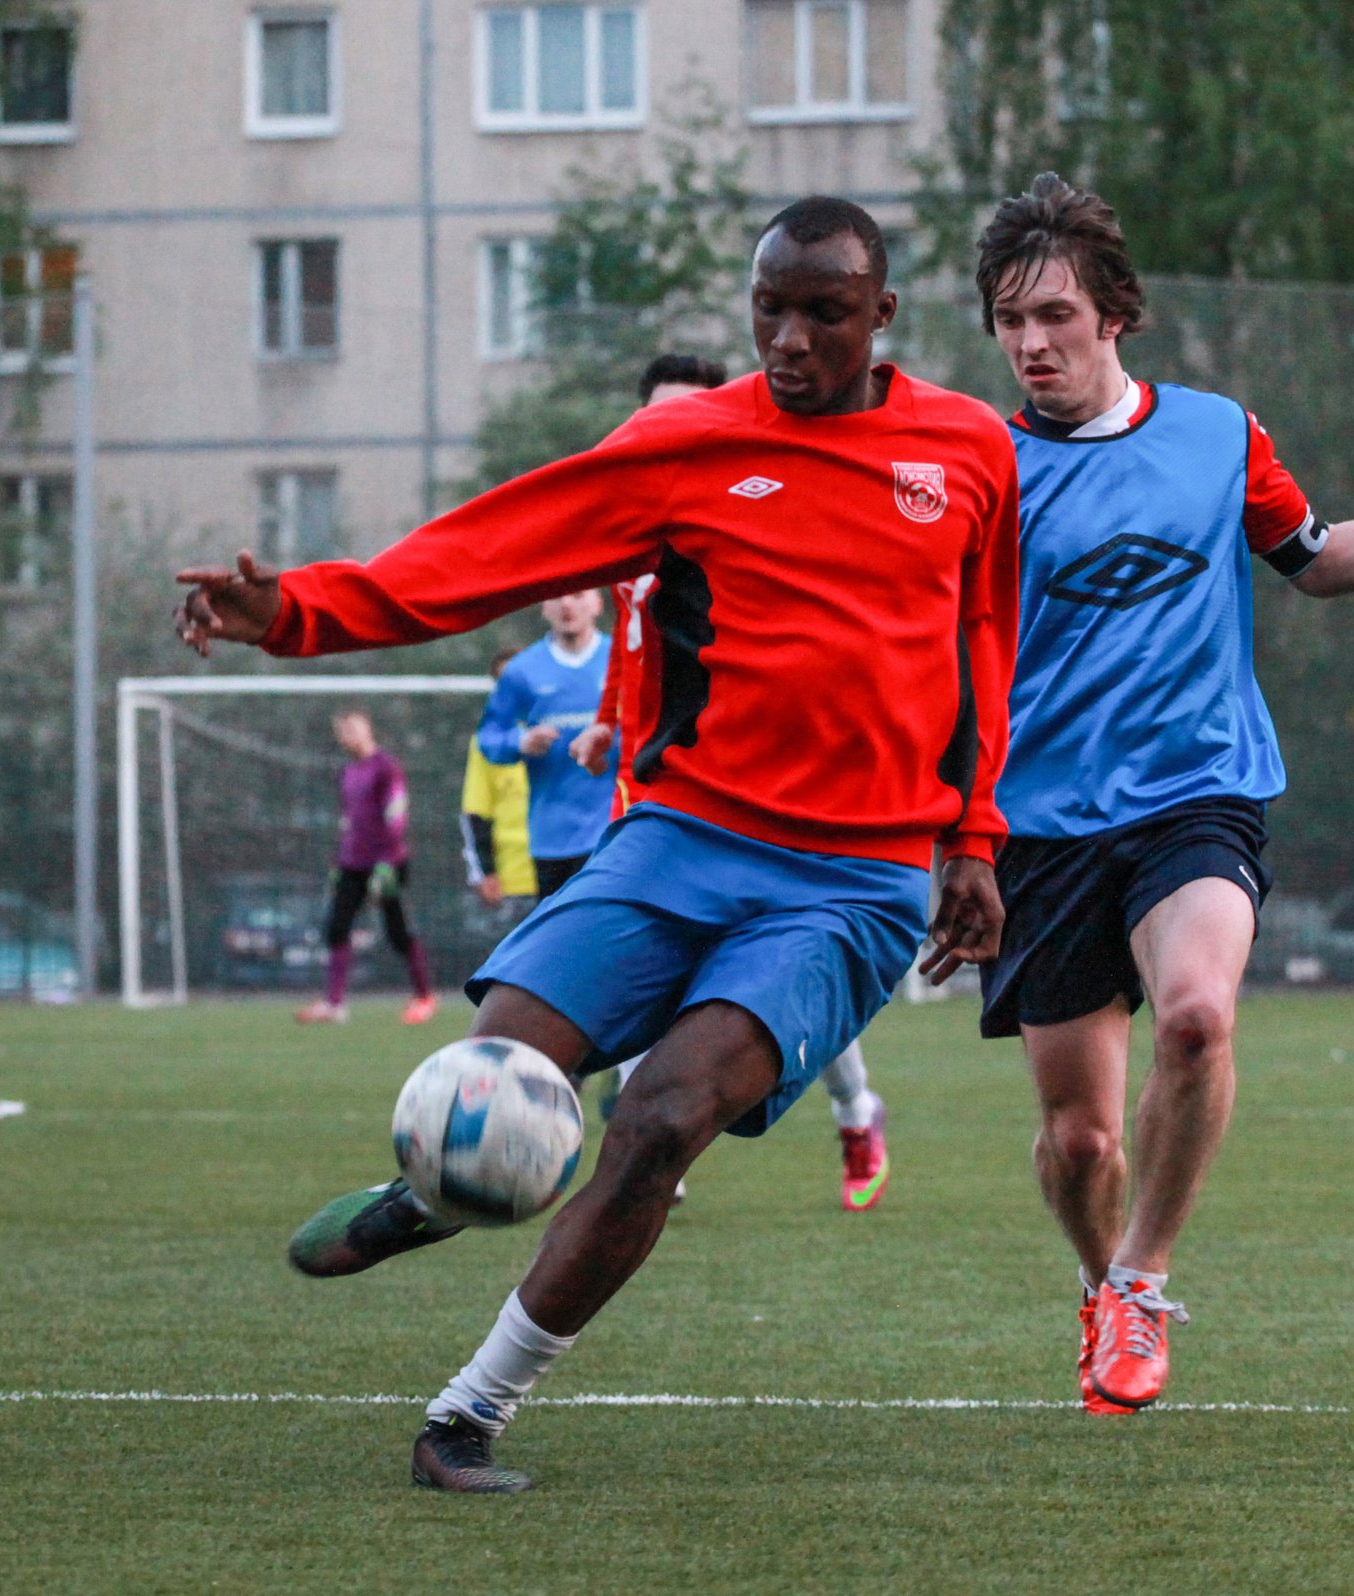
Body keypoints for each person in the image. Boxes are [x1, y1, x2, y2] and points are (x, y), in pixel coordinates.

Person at [176, 196, 1019, 1492]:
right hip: (683, 834)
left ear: (883, 315)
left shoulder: (967, 449)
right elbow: (489, 549)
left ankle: (467, 1415)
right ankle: (437, 1191)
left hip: (852, 881)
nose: (791, 340)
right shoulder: (686, 442)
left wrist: (975, 837)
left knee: (660, 1118)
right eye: (770, 311)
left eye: (826, 314)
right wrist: (296, 611)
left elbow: (985, 642)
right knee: (501, 1061)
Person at [965, 174, 1354, 1417]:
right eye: (1010, 321)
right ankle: (1099, 1280)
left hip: (1199, 792)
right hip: (1043, 829)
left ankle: (1142, 1281)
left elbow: (1315, 557)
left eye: (1055, 315)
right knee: (1079, 1142)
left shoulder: (1217, 435)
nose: (1031, 343)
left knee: (1195, 1018)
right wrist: (945, 839)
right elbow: (929, 657)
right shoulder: (980, 470)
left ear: (1113, 314)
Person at [571, 352, 893, 1212]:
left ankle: (856, 1109)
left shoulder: (756, 518)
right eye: (655, 415)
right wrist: (606, 719)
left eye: (689, 411)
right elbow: (632, 640)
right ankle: (648, 1151)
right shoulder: (629, 522)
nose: (671, 429)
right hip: (649, 788)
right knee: (641, 968)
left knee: (783, 984)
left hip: (752, 793)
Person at [298, 709, 441, 1027]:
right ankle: (334, 1004)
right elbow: (348, 819)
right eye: (341, 732)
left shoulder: (386, 766)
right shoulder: (347, 772)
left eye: (351, 729)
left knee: (397, 930)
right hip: (352, 863)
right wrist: (339, 860)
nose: (345, 737)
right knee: (336, 927)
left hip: (386, 863)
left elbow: (396, 813)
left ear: (367, 729)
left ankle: (424, 997)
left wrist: (388, 862)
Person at [479, 591, 617, 900]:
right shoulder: (522, 670)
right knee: (560, 926)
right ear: (544, 606)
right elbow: (488, 738)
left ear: (597, 602)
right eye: (557, 596)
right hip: (552, 837)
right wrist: (521, 741)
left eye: (578, 594)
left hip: (614, 831)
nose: (566, 604)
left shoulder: (622, 660)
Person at [461, 645, 539, 926]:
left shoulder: (568, 729)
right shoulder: (485, 744)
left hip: (569, 871)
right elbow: (476, 813)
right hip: (513, 882)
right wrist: (485, 872)